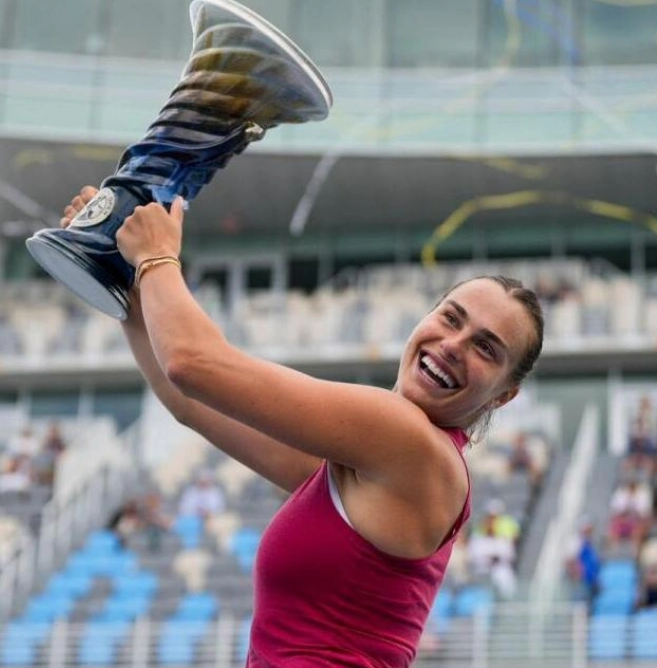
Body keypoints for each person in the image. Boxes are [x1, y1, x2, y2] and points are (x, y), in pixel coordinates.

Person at [61, 186, 545, 667]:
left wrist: (156, 258)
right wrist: (125, 280)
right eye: (450, 317)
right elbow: (189, 402)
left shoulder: (403, 435)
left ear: (504, 394)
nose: (454, 344)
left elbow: (193, 363)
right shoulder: (369, 467)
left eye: (486, 348)